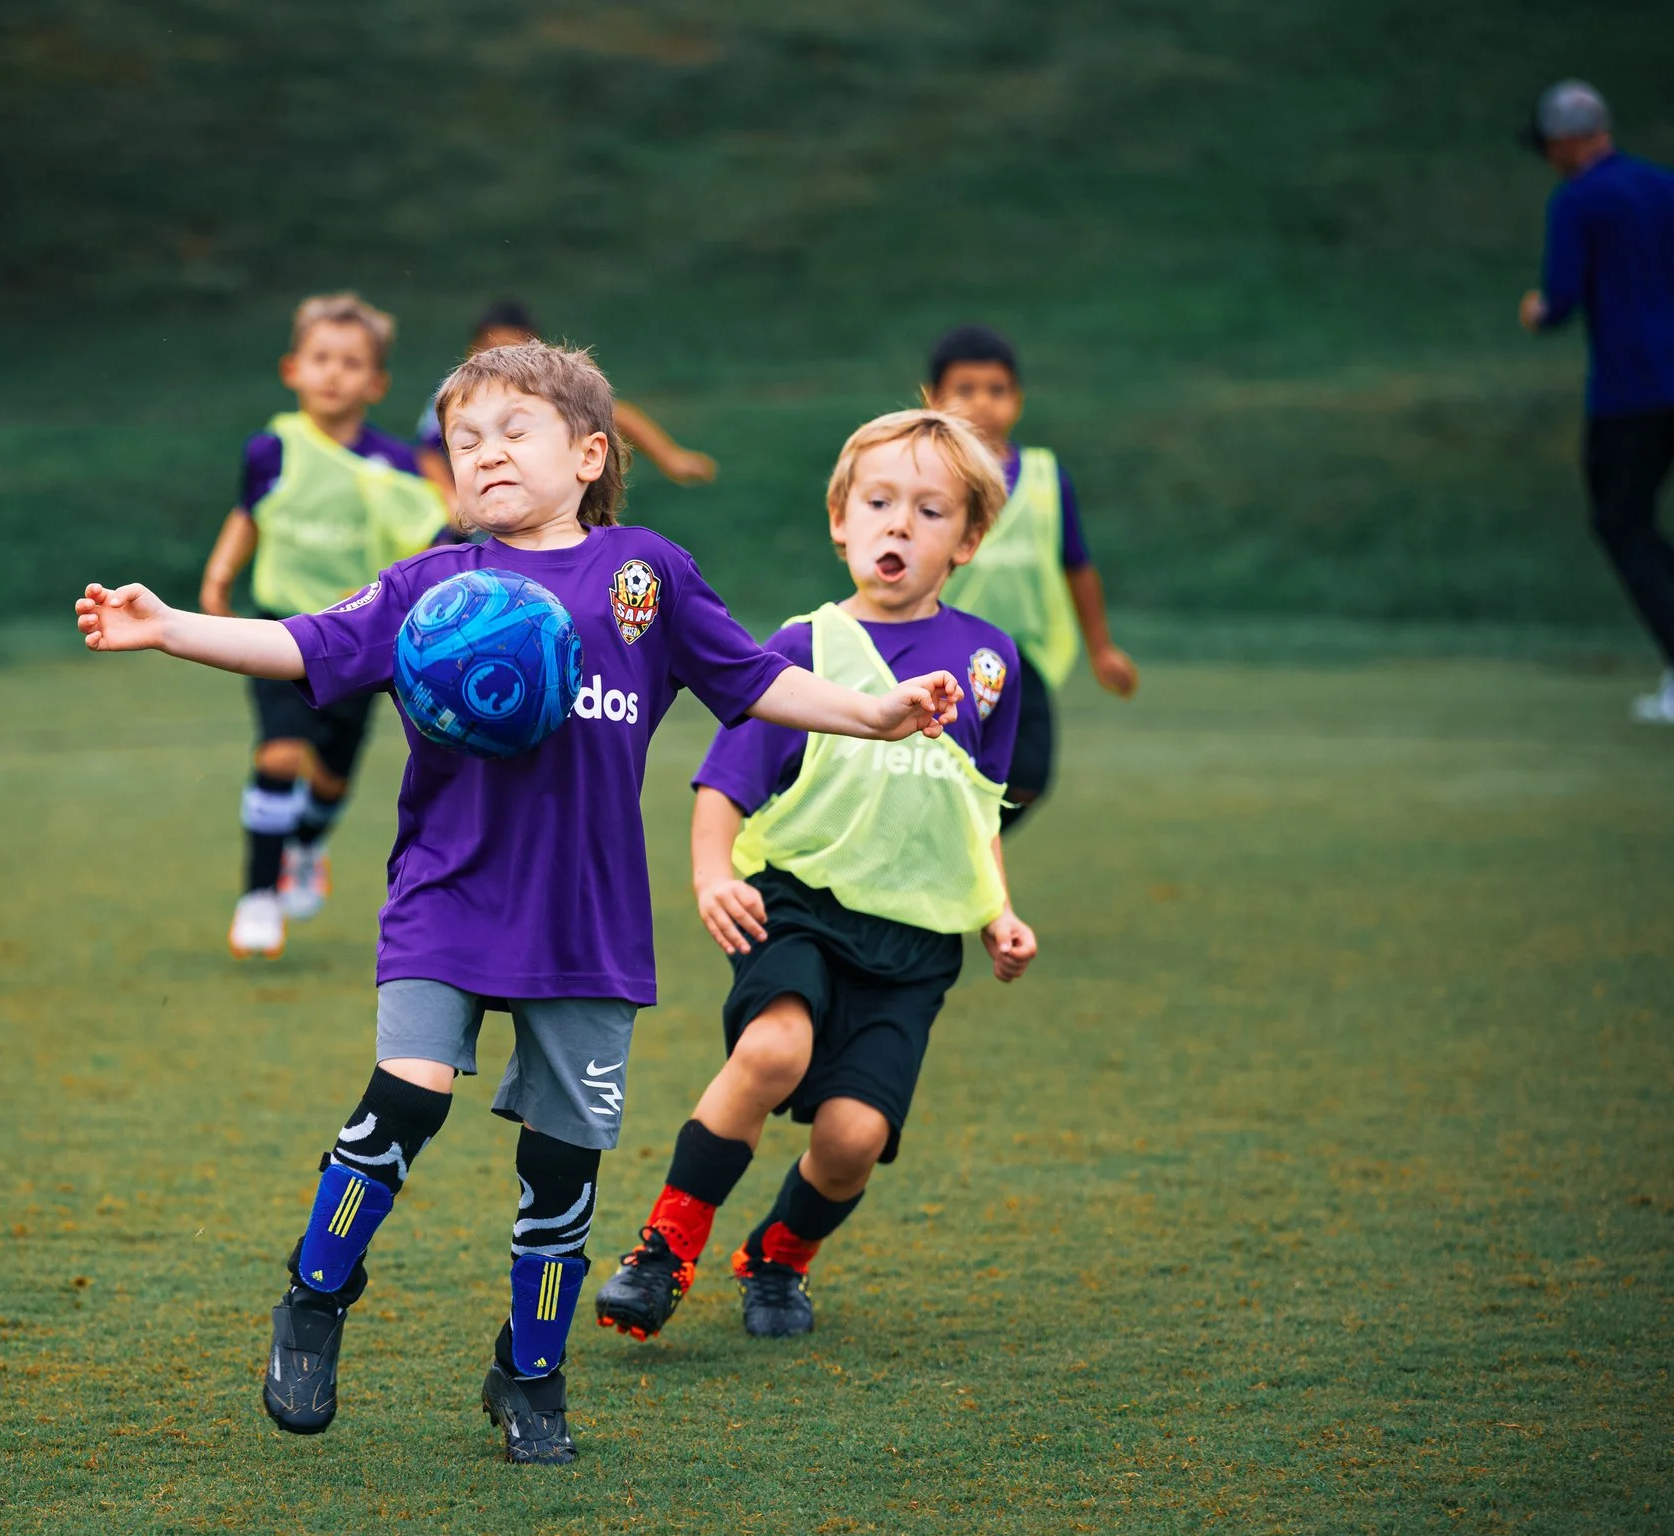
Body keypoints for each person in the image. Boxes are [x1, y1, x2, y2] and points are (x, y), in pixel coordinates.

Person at [74, 342, 964, 1463]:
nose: (483, 452)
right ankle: (313, 1298)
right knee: (408, 1096)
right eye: (463, 440)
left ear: (591, 454)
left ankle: (529, 1376)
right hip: (447, 893)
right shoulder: (431, 582)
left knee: (560, 1166)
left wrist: (874, 712)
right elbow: (303, 643)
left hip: (586, 919)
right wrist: (168, 627)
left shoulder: (647, 576)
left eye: (513, 431)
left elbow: (752, 679)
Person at [596, 409, 1036, 1344]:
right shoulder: (804, 648)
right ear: (839, 518)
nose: (898, 526)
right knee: (771, 1053)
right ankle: (662, 1252)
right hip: (797, 905)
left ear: (968, 538)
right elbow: (725, 784)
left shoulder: (992, 663)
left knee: (852, 1141)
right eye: (877, 502)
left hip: (914, 942)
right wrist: (712, 876)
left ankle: (778, 1258)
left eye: (928, 510)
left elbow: (973, 805)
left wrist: (997, 909)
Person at [197, 293, 449, 957]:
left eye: (351, 362)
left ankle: (307, 847)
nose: (333, 373)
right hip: (281, 625)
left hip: (359, 637)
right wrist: (220, 575)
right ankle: (258, 893)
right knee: (280, 751)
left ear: (377, 383)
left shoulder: (394, 466)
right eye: (321, 359)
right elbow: (250, 512)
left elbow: (430, 541)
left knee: (332, 775)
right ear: (292, 369)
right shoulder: (271, 449)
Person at [925, 326, 1136, 831]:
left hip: (1023, 659)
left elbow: (1077, 564)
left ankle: (961, 855)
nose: (982, 403)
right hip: (944, 654)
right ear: (933, 399)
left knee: (1028, 777)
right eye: (965, 390)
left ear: (1018, 400)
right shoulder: (921, 473)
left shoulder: (1045, 475)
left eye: (997, 390)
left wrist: (1102, 648)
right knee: (938, 769)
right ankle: (945, 867)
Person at [1516, 81, 1674, 723]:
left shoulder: (1579, 200)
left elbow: (1559, 299)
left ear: (1569, 141)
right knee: (1633, 524)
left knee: (1620, 522)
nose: (1549, 157)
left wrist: (1536, 312)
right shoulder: (1665, 187)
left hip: (1632, 390)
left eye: (1550, 146)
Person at [415, 300, 720, 505]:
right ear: (472, 350)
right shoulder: (458, 396)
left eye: (513, 350)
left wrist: (670, 457)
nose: (500, 360)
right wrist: (453, 501)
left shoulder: (549, 388)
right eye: (490, 349)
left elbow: (618, 416)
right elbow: (429, 452)